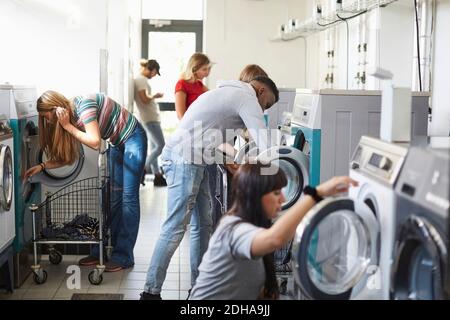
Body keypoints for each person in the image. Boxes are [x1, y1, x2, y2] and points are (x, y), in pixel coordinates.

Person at [140, 75, 280, 300]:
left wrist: (228, 159)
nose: (263, 110)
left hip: (195, 159)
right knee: (175, 226)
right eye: (266, 105)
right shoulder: (247, 97)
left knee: (202, 225)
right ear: (261, 91)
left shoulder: (229, 92)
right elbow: (263, 141)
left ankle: (198, 288)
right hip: (184, 159)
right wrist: (277, 173)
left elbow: (208, 132)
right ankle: (150, 292)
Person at [189, 162, 358, 300]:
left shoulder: (255, 227)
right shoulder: (233, 229)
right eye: (276, 193)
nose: (283, 199)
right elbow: (275, 239)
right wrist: (316, 194)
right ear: (254, 195)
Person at [24, 91, 147, 272]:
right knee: (112, 200)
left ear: (56, 108)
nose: (47, 121)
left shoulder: (84, 107)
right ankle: (100, 251)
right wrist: (42, 166)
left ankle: (124, 256)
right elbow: (68, 159)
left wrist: (67, 126)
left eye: (45, 116)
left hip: (133, 137)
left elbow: (95, 142)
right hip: (117, 143)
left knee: (128, 199)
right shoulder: (70, 119)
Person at [208, 64, 270, 229]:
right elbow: (218, 140)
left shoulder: (237, 99)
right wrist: (238, 155)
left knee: (221, 206)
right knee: (219, 206)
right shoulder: (241, 100)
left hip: (219, 157)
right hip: (213, 158)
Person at [134, 59, 166, 186]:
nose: (154, 76)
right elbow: (144, 99)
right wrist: (155, 96)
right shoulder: (141, 80)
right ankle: (143, 168)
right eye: (154, 73)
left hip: (150, 117)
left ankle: (157, 176)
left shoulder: (141, 80)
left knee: (154, 147)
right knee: (161, 145)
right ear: (151, 69)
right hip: (150, 118)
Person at [174, 52, 212, 119]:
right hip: (190, 126)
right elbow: (181, 115)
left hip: (200, 123)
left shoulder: (199, 85)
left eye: (209, 69)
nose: (207, 73)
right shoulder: (182, 84)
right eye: (204, 69)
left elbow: (213, 97)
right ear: (194, 69)